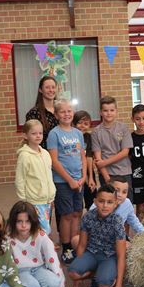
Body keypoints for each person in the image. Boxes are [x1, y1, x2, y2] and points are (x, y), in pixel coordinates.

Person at [68, 184, 129, 287]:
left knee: (104, 285)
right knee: (72, 273)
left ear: (115, 203)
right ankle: (96, 271)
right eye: (101, 201)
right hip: (91, 253)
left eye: (110, 202)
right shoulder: (88, 217)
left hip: (109, 256)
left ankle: (110, 275)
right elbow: (82, 244)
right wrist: (77, 279)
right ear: (95, 201)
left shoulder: (117, 221)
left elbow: (121, 255)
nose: (105, 206)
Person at [47, 99, 87, 265]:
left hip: (79, 181)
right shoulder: (54, 134)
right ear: (56, 115)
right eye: (62, 112)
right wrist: (69, 180)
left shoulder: (77, 133)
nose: (67, 114)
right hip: (63, 182)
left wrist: (83, 177)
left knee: (77, 212)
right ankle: (67, 247)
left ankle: (75, 242)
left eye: (69, 111)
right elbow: (54, 161)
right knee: (67, 214)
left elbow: (82, 156)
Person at [8, 201, 68, 287]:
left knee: (54, 282)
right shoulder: (8, 238)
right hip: (20, 271)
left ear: (33, 221)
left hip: (39, 268)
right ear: (13, 222)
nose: (23, 225)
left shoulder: (41, 235)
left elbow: (53, 260)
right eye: (19, 221)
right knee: (33, 286)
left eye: (27, 221)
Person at [15, 119, 56, 235]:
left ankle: (39, 249)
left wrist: (51, 196)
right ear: (25, 135)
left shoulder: (45, 154)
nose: (38, 136)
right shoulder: (24, 156)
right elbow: (20, 179)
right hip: (33, 200)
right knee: (43, 230)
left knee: (41, 229)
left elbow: (48, 176)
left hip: (46, 200)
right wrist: (24, 201)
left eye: (40, 133)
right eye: (34, 133)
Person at [91, 96, 134, 201]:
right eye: (105, 110)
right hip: (107, 173)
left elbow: (125, 152)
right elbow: (98, 158)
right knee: (109, 204)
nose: (108, 113)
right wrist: (107, 178)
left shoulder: (123, 128)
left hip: (124, 172)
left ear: (116, 111)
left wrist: (104, 162)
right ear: (101, 112)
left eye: (111, 110)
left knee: (126, 204)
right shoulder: (96, 132)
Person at [25, 76, 58, 149]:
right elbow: (30, 139)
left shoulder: (61, 110)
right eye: (47, 87)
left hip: (63, 156)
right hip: (43, 156)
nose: (51, 90)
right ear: (40, 90)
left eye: (53, 87)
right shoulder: (34, 113)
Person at [73, 110, 96, 210]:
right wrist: (84, 177)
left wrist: (90, 177)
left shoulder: (88, 137)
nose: (82, 126)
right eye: (79, 123)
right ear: (73, 124)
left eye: (86, 124)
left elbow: (89, 157)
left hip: (88, 171)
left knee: (92, 201)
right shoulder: (71, 137)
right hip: (76, 173)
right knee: (77, 205)